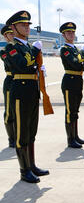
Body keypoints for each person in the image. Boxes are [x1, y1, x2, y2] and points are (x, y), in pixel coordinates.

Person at [4, 10, 49, 183]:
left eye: (28, 24)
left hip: (31, 91)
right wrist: (35, 53)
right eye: (23, 24)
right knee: (22, 133)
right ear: (13, 28)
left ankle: (32, 165)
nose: (27, 27)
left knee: (31, 132)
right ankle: (24, 171)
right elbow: (23, 65)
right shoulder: (11, 47)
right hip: (20, 92)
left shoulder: (27, 47)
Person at [59, 22, 84, 149]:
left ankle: (75, 136)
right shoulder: (65, 49)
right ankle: (70, 139)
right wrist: (83, 54)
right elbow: (75, 63)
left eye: (72, 32)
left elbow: (79, 63)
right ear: (63, 35)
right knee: (70, 112)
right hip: (69, 81)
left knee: (75, 111)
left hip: (77, 81)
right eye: (68, 32)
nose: (71, 34)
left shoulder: (74, 49)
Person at [1, 25, 16, 148]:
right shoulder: (4, 51)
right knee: (9, 112)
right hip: (10, 81)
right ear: (5, 36)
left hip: (19, 81)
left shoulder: (20, 48)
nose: (12, 35)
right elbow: (10, 62)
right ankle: (11, 138)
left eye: (13, 33)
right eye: (9, 34)